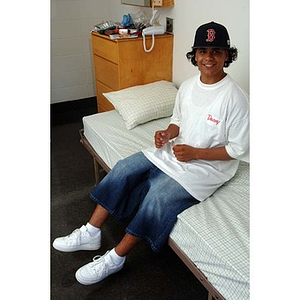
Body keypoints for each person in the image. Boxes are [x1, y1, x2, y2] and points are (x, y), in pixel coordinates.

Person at [53, 21, 249, 286]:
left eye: (216, 51)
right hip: (177, 151)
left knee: (158, 196)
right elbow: (177, 120)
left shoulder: (235, 97)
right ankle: (91, 231)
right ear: (195, 55)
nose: (208, 58)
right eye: (202, 51)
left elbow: (237, 150)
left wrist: (195, 153)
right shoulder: (189, 87)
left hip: (208, 167)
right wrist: (167, 133)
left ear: (227, 55)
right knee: (124, 168)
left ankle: (116, 257)